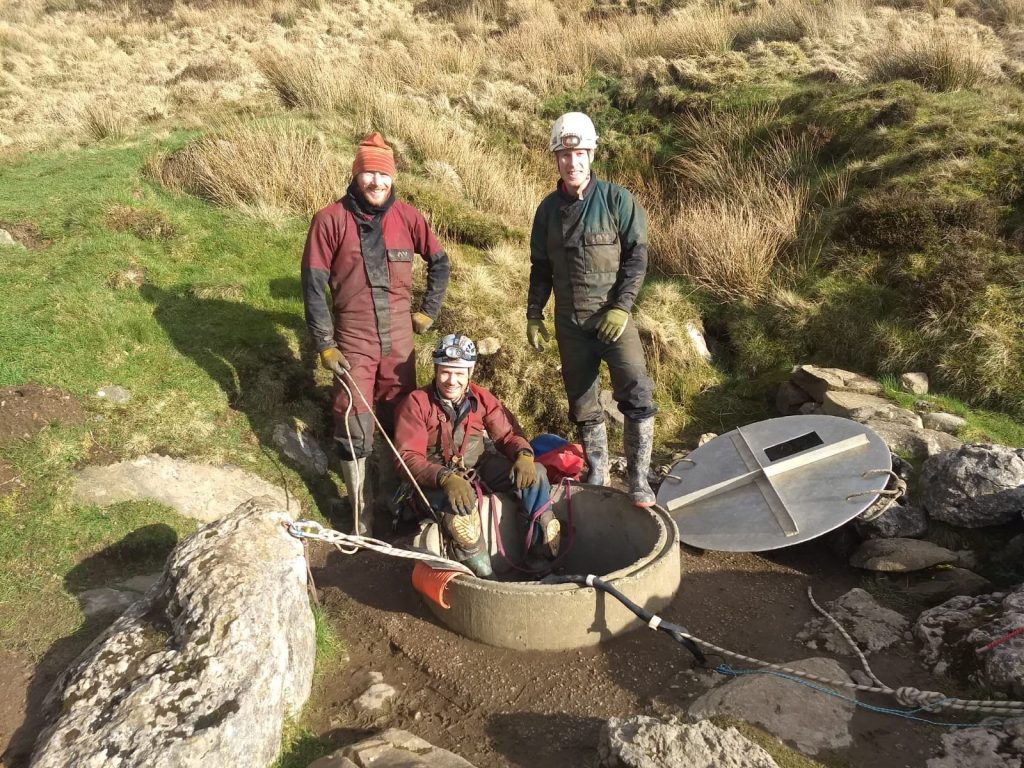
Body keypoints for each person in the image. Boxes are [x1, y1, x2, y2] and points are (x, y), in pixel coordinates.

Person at [301, 131, 450, 534]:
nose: (377, 182)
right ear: (356, 174)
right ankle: (360, 511)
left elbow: (440, 262)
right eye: (368, 174)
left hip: (400, 343)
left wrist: (428, 312)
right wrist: (325, 345)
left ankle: (393, 499)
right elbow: (313, 287)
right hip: (354, 340)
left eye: (383, 175)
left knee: (402, 419)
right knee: (353, 420)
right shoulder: (329, 220)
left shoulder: (409, 218)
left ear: (392, 178)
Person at [526, 111, 658, 507]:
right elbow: (540, 267)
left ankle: (638, 480)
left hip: (614, 319)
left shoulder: (619, 200)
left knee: (637, 393)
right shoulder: (547, 211)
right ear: (556, 159)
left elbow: (637, 257)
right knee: (583, 402)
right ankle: (598, 472)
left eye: (580, 153)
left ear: (591, 154)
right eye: (564, 155)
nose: (572, 162)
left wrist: (622, 308)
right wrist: (534, 313)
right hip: (570, 323)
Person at [394, 334, 561, 578]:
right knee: (464, 525)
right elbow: (407, 458)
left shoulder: (481, 398)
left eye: (459, 373)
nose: (452, 380)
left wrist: (524, 454)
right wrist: (444, 478)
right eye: (445, 372)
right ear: (436, 370)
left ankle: (539, 563)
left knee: (535, 474)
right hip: (433, 479)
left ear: (470, 373)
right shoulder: (416, 403)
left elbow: (507, 436)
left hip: (478, 468)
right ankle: (486, 579)